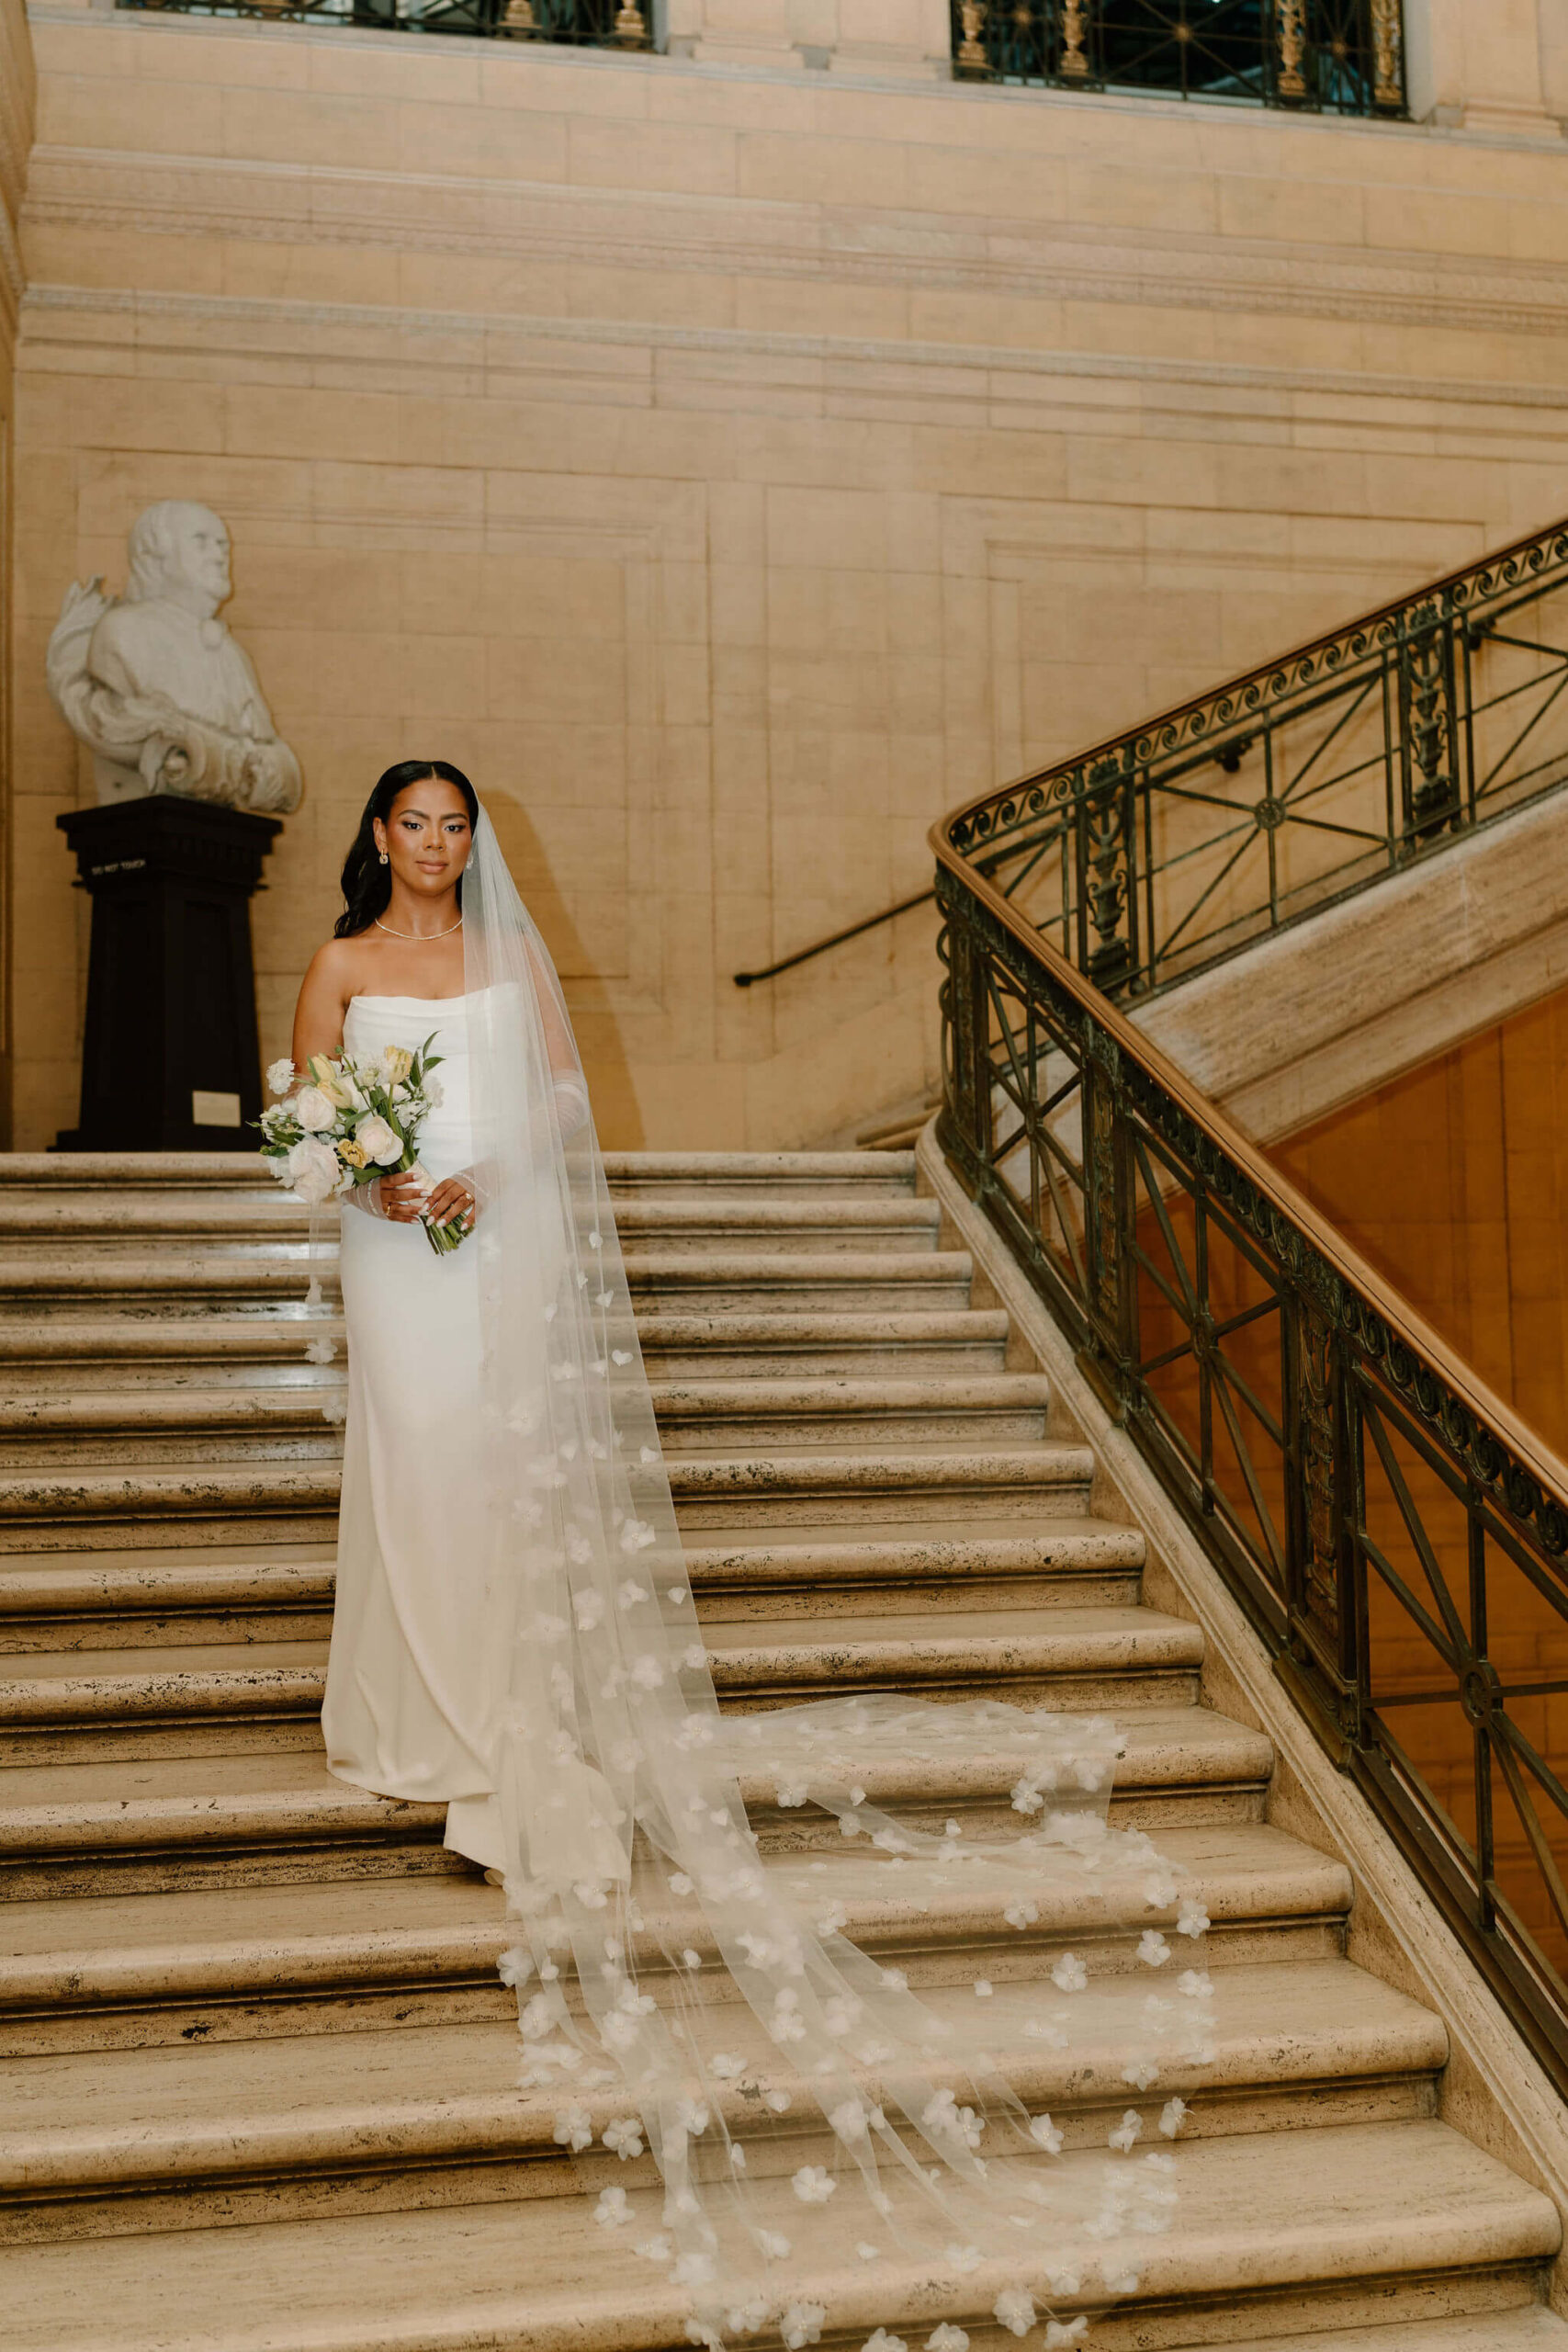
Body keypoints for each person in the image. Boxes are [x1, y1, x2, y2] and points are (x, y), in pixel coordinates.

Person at [281, 760, 1211, 2351]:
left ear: (467, 843)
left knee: (498, 1474)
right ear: (377, 839)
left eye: (453, 826)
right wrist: (381, 1175)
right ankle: (408, 1703)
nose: (433, 847)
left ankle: (494, 1710)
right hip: (395, 1255)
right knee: (415, 1460)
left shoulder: (510, 961)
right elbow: (304, 1106)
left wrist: (489, 1175)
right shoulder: (346, 966)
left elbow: (562, 1099)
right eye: (412, 825)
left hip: (492, 1250)